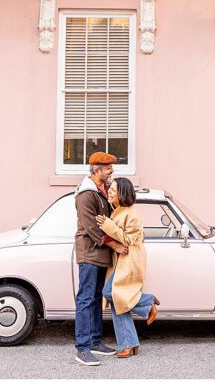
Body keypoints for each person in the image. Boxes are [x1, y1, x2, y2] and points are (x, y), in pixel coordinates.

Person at [74, 151, 127, 366]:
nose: (112, 171)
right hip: (89, 251)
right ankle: (83, 348)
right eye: (108, 169)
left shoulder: (102, 190)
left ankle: (96, 341)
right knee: (86, 299)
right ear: (97, 171)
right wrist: (115, 244)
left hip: (100, 253)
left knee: (97, 298)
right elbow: (93, 228)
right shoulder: (86, 194)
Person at [98, 177, 159, 357]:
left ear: (123, 192)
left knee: (111, 293)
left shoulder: (131, 212)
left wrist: (108, 226)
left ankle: (146, 302)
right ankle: (128, 343)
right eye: (110, 189)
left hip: (131, 259)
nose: (109, 191)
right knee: (118, 301)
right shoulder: (118, 211)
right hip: (122, 259)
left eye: (113, 190)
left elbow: (130, 239)